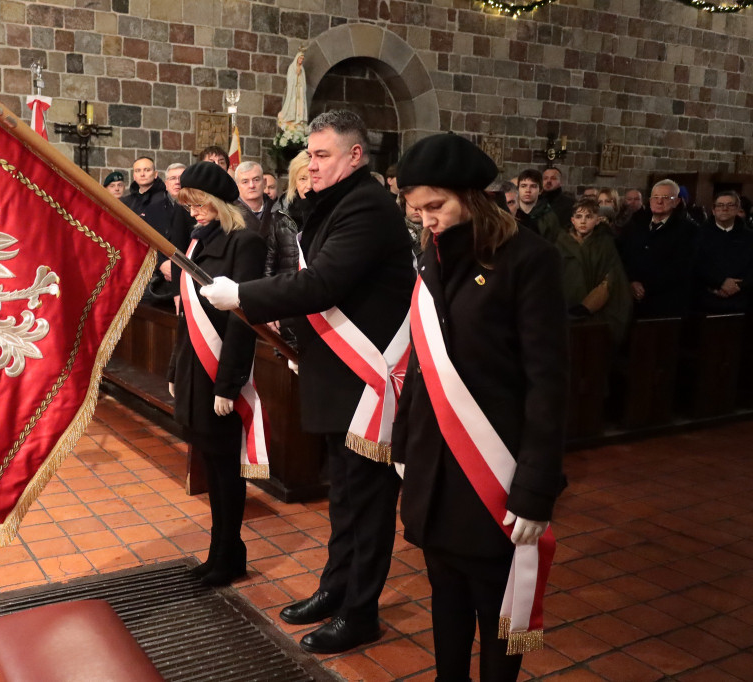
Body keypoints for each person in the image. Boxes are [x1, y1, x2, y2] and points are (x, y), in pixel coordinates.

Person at [200, 110, 412, 655]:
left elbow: (324, 281)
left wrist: (244, 295)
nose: (310, 165)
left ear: (355, 156)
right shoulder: (336, 202)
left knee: (367, 503)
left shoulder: (366, 205)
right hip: (337, 373)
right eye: (308, 155)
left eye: (321, 155)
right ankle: (335, 588)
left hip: (365, 381)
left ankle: (360, 612)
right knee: (343, 497)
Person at [392, 133, 568, 682]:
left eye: (435, 206)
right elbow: (422, 362)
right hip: (435, 467)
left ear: (474, 195)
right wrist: (403, 445)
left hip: (493, 467)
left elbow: (549, 382)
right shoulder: (430, 257)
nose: (426, 220)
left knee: (495, 608)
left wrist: (537, 489)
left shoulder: (527, 260)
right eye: (414, 209)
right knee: (444, 594)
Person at [166, 161, 268, 587]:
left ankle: (229, 554)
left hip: (220, 371)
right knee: (210, 464)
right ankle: (221, 552)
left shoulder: (245, 242)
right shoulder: (194, 243)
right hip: (194, 366)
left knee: (226, 471)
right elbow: (184, 315)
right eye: (188, 206)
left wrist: (229, 384)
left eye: (199, 205)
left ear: (219, 203)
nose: (193, 213)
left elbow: (244, 321)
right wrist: (174, 367)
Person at [617, 179, 697, 318]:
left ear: (677, 201)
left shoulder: (688, 230)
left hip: (667, 303)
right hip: (633, 300)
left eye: (666, 198)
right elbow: (624, 256)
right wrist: (632, 281)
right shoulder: (636, 226)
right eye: (655, 197)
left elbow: (682, 267)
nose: (659, 201)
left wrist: (646, 286)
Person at [556, 198, 632, 344]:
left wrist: (586, 307)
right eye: (579, 217)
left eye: (589, 217)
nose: (583, 221)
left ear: (597, 220)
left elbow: (610, 278)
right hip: (566, 302)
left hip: (593, 308)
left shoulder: (605, 244)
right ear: (572, 220)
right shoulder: (560, 242)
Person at [123, 157, 191, 301]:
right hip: (160, 274)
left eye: (181, 178)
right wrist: (161, 263)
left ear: (155, 174)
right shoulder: (154, 207)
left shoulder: (201, 207)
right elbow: (144, 239)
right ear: (166, 183)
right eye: (172, 178)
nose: (177, 182)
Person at [234, 161, 299, 278]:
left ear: (264, 183)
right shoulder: (229, 216)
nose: (251, 185)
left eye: (256, 179)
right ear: (237, 185)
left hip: (273, 284)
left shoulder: (280, 213)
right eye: (245, 181)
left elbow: (288, 258)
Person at [692, 190, 753, 313]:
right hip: (706, 299)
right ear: (713, 210)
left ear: (737, 209)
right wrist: (719, 283)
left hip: (742, 300)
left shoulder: (749, 237)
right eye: (720, 205)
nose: (724, 209)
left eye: (730, 205)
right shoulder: (698, 235)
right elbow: (694, 264)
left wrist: (738, 286)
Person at [515, 170, 560, 242]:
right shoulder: (510, 212)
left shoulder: (549, 217)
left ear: (540, 190)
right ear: (518, 189)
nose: (528, 190)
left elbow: (552, 245)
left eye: (533, 186)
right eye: (523, 186)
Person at [280, 150, 312, 230]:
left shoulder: (334, 211)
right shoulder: (281, 211)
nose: (309, 186)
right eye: (303, 179)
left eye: (314, 178)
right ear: (294, 182)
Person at [277, 49, 307, 133]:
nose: (301, 60)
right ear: (297, 58)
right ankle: (291, 119)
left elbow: (303, 81)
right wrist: (295, 77)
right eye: (300, 58)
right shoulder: (292, 67)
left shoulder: (302, 69)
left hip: (299, 90)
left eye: (302, 59)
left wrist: (300, 83)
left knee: (300, 106)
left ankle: (299, 120)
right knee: (293, 104)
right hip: (293, 91)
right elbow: (289, 79)